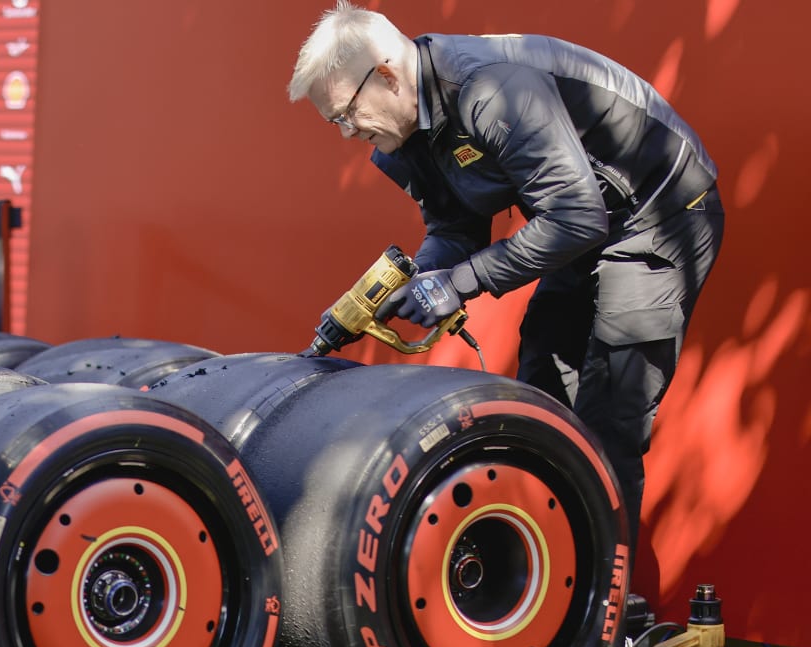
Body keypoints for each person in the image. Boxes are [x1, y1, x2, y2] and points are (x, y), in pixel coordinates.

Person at [288, 3, 723, 571]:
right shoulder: (407, 127)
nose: (347, 133)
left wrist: (460, 283)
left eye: (346, 113)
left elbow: (574, 217)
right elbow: (454, 227)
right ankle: (544, 591)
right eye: (334, 123)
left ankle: (603, 630)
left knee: (608, 420)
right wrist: (423, 281)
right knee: (541, 392)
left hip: (659, 213)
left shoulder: (489, 90)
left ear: (388, 74)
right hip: (587, 222)